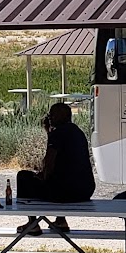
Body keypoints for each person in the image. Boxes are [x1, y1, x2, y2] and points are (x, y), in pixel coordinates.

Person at [16, 101, 94, 237]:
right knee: (62, 178)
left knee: (23, 176)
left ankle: (33, 223)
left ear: (60, 117)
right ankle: (60, 220)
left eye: (52, 115)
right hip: (85, 190)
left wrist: (42, 176)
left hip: (65, 193)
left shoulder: (58, 133)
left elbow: (49, 161)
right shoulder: (78, 132)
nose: (49, 118)